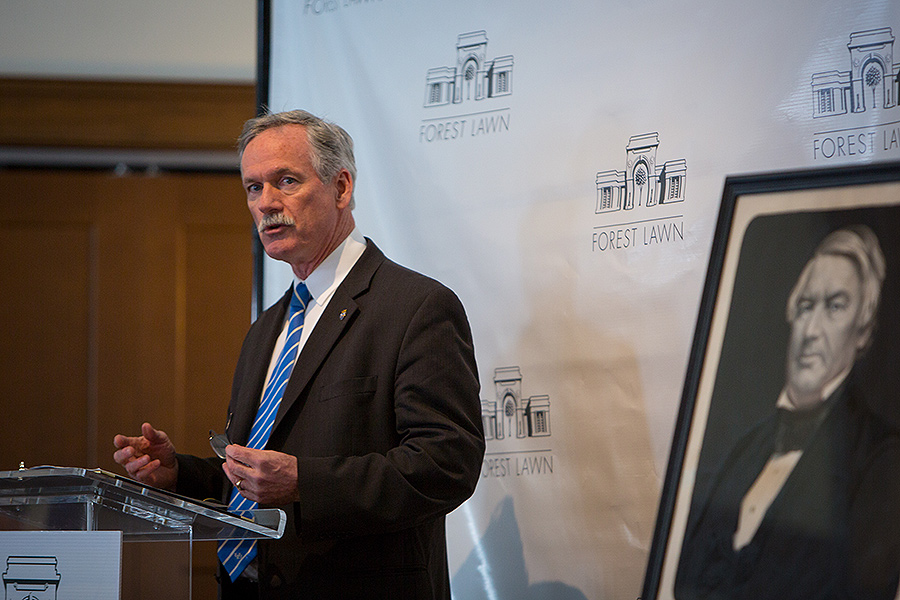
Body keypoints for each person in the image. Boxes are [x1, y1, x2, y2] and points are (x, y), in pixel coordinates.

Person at [113, 110, 486, 599]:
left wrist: (304, 482)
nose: (267, 203)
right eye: (253, 188)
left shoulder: (415, 307)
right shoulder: (267, 328)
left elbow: (446, 464)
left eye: (286, 181)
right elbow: (259, 478)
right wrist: (181, 474)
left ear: (341, 187)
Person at [675, 225, 900, 600]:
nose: (811, 330)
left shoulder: (881, 458)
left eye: (835, 306)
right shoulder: (745, 451)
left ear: (863, 330)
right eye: (806, 306)